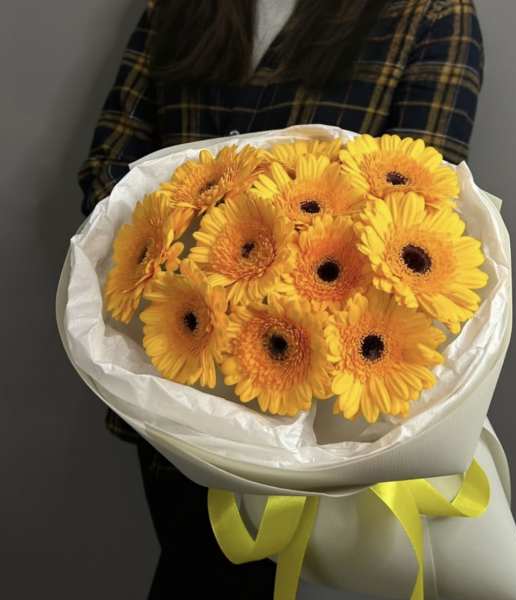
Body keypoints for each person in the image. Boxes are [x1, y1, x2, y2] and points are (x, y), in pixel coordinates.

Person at [78, 0, 484, 597]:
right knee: (199, 567)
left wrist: (269, 260)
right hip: (170, 374)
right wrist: (189, 251)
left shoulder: (428, 14)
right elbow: (107, 171)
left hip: (316, 405)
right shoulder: (174, 8)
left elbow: (423, 207)